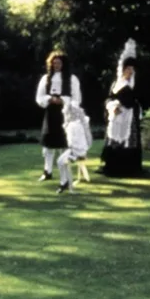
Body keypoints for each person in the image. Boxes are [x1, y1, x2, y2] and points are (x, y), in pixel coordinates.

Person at [34, 50, 82, 181]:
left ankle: (64, 174)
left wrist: (63, 100)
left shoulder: (72, 79)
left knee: (63, 144)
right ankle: (47, 171)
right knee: (48, 145)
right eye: (54, 63)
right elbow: (39, 97)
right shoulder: (46, 79)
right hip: (51, 114)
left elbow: (77, 98)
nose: (56, 65)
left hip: (65, 114)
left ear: (63, 64)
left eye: (59, 63)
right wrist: (49, 99)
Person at [99, 39, 144, 177]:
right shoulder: (116, 84)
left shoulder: (135, 84)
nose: (130, 71)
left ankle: (130, 168)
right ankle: (113, 166)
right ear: (123, 70)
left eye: (132, 69)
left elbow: (136, 99)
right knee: (115, 140)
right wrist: (113, 106)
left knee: (130, 141)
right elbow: (109, 98)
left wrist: (128, 105)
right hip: (118, 115)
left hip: (130, 116)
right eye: (128, 69)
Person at [55, 99, 93, 193]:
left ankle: (67, 185)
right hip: (77, 150)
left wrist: (74, 153)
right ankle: (65, 183)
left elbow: (73, 142)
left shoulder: (74, 125)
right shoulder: (77, 123)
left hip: (78, 151)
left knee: (63, 162)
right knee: (61, 162)